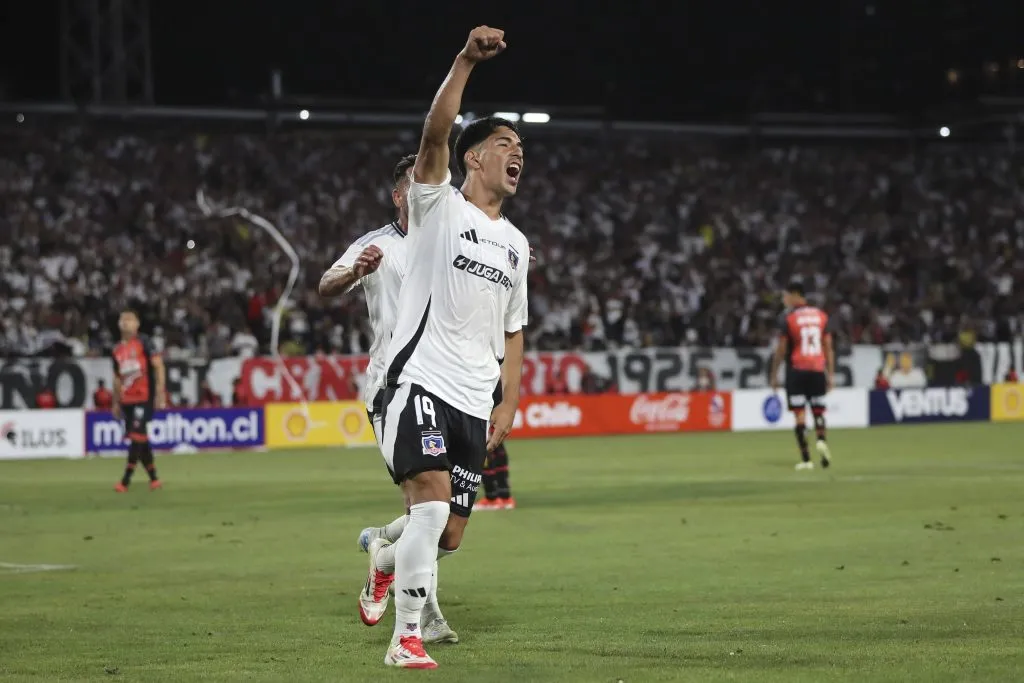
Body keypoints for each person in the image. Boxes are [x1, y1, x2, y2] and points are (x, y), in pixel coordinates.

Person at [359, 26, 529, 669]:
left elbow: (515, 330)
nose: (518, 154)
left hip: (472, 399)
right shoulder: (438, 206)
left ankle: (382, 557)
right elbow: (434, 134)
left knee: (449, 533)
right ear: (474, 157)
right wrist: (463, 62)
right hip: (421, 382)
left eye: (523, 147)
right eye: (506, 143)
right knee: (429, 506)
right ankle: (405, 639)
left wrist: (507, 405)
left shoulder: (515, 244)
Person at [320, 154, 460, 644]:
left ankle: (383, 555)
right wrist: (355, 270)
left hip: (452, 386)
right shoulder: (374, 244)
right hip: (393, 385)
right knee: (424, 501)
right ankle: (427, 617)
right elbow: (325, 284)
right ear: (400, 195)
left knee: (448, 519)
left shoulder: (452, 240)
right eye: (418, 183)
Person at [769, 282, 834, 470]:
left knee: (799, 414)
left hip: (797, 369)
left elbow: (781, 349)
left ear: (796, 295)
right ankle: (821, 439)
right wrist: (830, 374)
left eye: (785, 296)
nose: (784, 300)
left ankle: (806, 459)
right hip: (817, 369)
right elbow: (828, 347)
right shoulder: (821, 316)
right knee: (818, 411)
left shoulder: (788, 318)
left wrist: (774, 372)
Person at [112, 309, 166, 492]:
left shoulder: (145, 342)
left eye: (130, 319)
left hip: (144, 397)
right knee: (141, 439)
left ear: (137, 324)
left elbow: (158, 366)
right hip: (127, 400)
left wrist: (160, 391)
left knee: (136, 436)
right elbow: (117, 378)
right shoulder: (117, 349)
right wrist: (115, 401)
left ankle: (125, 480)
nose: (125, 322)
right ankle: (154, 479)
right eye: (122, 319)